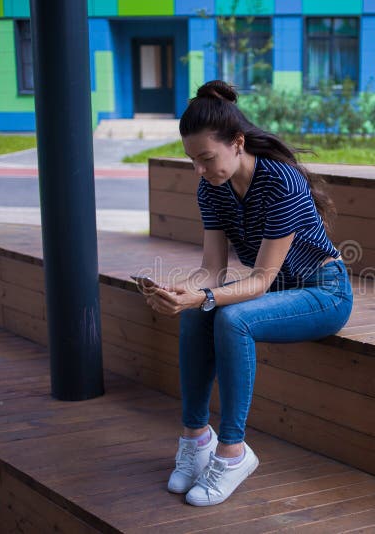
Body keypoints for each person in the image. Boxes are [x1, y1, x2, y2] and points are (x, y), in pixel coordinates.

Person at [144, 80, 354, 507]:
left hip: (324, 292)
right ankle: (196, 437)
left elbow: (258, 280)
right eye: (192, 161)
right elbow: (212, 270)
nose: (200, 170)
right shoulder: (212, 187)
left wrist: (204, 297)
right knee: (198, 312)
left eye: (206, 158)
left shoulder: (280, 181)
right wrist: (182, 291)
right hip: (274, 294)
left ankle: (233, 451)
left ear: (237, 143)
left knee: (230, 316)